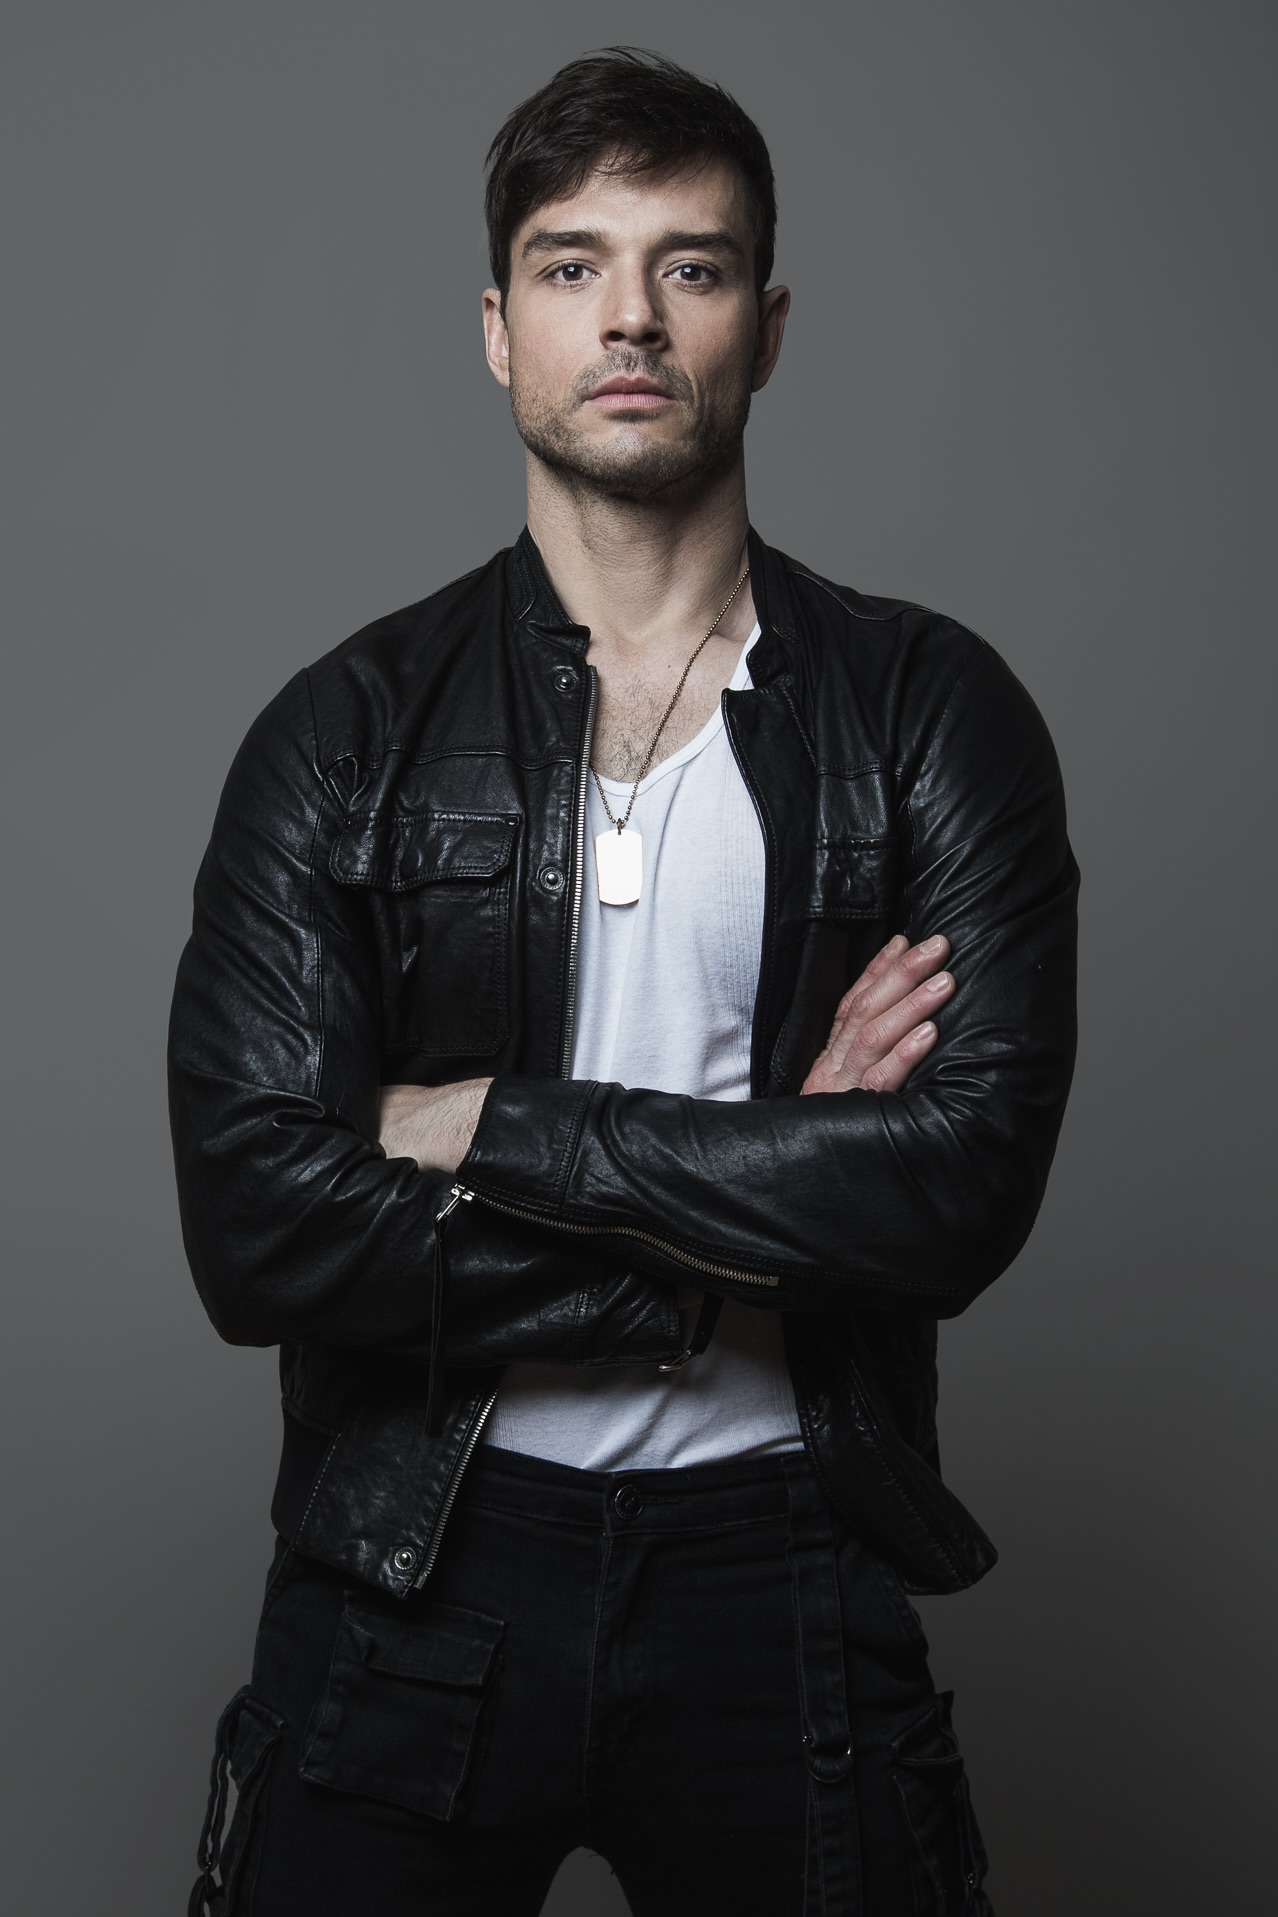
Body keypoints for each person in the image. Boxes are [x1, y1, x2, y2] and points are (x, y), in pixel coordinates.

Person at [170, 46, 1077, 1917]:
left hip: (785, 1563)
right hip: (416, 1567)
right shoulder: (344, 733)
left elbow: (954, 1192)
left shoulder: (924, 714)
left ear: (765, 328)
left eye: (694, 265)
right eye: (573, 265)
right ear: (498, 330)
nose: (634, 316)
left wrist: (479, 1123)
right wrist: (763, 1192)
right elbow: (258, 1228)